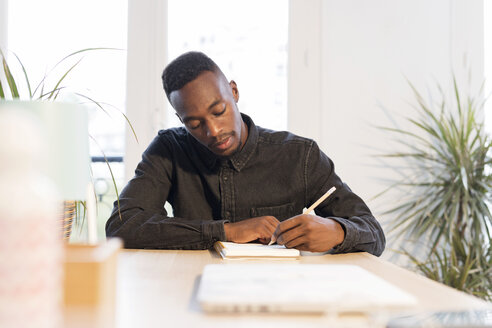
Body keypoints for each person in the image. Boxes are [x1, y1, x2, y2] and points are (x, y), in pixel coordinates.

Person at [105, 51, 385, 255]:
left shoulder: (300, 156)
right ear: (181, 121)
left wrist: (337, 231)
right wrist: (226, 231)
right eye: (195, 123)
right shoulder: (169, 150)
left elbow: (373, 233)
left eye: (218, 111)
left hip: (282, 299)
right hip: (189, 294)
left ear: (234, 92)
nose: (213, 130)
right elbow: (122, 226)